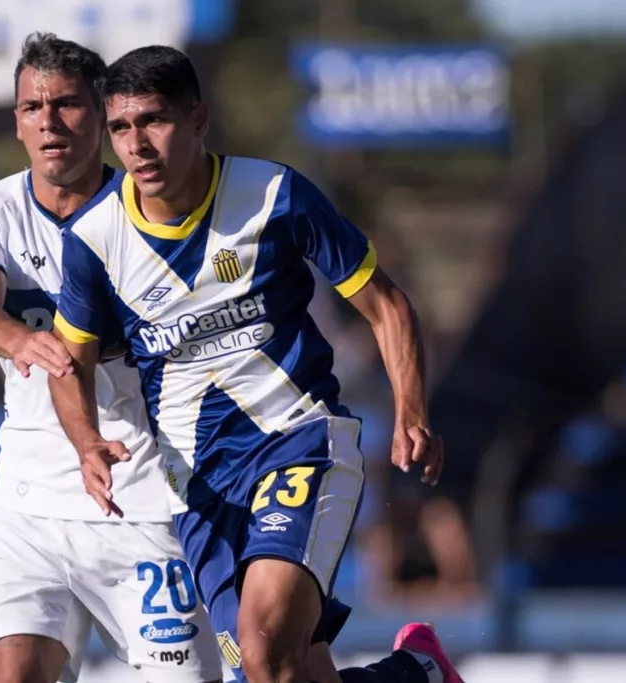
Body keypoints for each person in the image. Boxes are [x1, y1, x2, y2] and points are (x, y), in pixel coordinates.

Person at [48, 45, 465, 683]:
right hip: (198, 488)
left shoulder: (272, 193)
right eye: (121, 128)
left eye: (154, 120)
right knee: (276, 673)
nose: (138, 144)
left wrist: (410, 410)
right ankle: (416, 674)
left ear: (198, 119)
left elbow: (386, 305)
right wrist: (85, 441)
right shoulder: (94, 241)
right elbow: (69, 363)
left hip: (298, 442)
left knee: (265, 650)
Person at [0, 34, 223, 683]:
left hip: (143, 501)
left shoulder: (151, 213)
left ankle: (408, 673)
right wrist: (19, 339)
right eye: (31, 108)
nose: (49, 122)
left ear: (100, 114)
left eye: (67, 104)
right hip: (30, 505)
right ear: (16, 122)